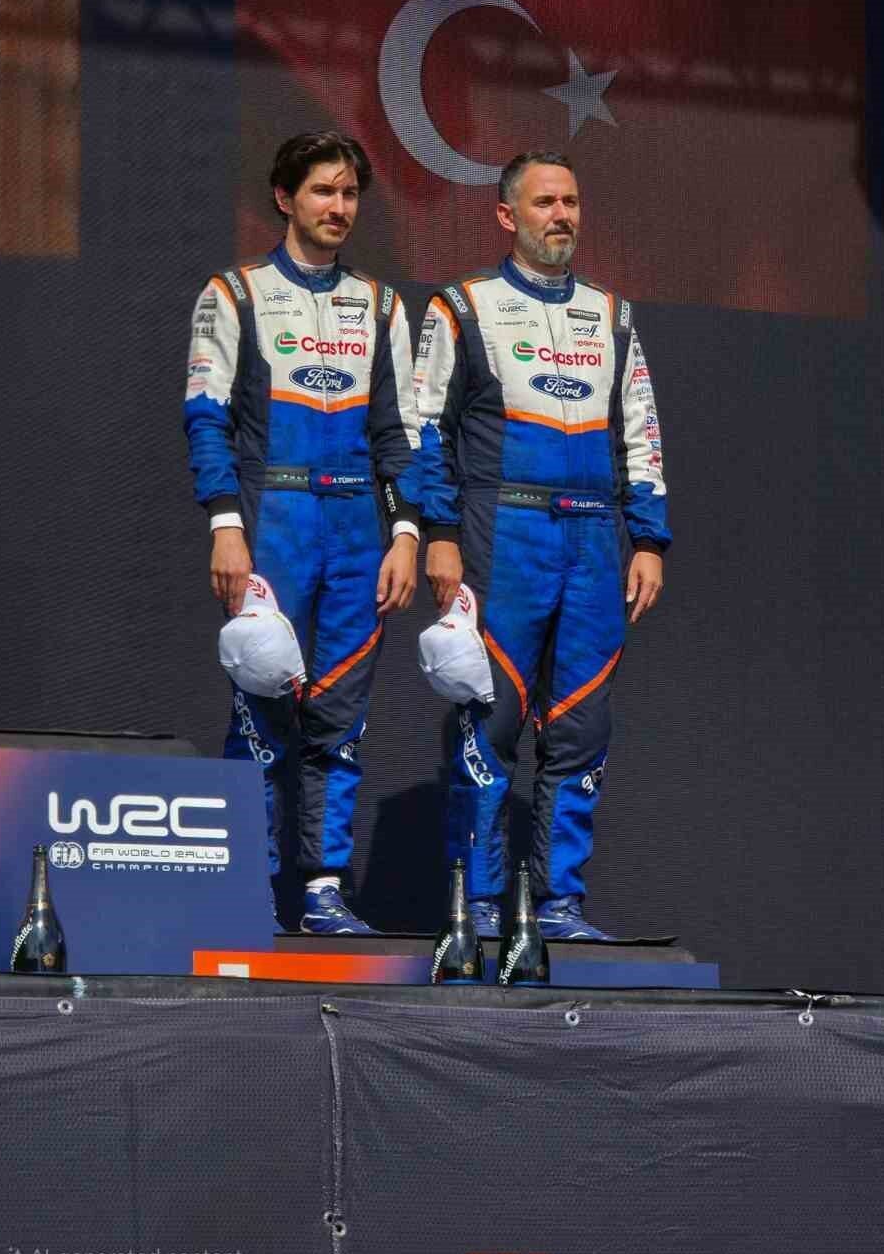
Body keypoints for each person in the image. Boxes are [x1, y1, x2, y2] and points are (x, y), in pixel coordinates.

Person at [414, 151, 670, 940]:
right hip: (504, 530)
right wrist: (439, 533)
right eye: (544, 203)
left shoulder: (612, 314)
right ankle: (479, 907)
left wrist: (648, 539)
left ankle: (559, 905)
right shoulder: (462, 306)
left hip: (594, 538)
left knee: (580, 727)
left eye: (571, 202)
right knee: (490, 723)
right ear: (506, 215)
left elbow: (641, 434)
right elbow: (426, 429)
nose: (561, 215)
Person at [184, 131, 422, 934]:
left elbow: (400, 436)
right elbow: (206, 419)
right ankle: (246, 885)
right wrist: (225, 525)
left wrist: (406, 535)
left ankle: (322, 885)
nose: (338, 206)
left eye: (349, 193)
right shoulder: (234, 293)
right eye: (323, 190)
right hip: (273, 518)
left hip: (357, 527)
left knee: (340, 711)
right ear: (285, 198)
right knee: (261, 707)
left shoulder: (382, 306)